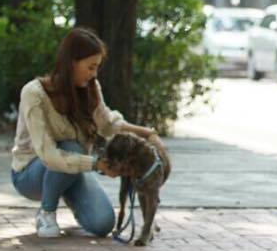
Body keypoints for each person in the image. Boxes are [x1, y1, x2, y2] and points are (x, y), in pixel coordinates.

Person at [11, 27, 163, 238]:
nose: (94, 74)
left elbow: (107, 123)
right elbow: (48, 154)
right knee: (70, 146)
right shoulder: (34, 94)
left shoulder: (90, 87)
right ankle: (46, 212)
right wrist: (95, 164)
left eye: (97, 68)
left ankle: (66, 193)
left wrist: (147, 132)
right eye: (91, 67)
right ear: (72, 62)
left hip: (71, 169)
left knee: (102, 224)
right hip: (31, 174)